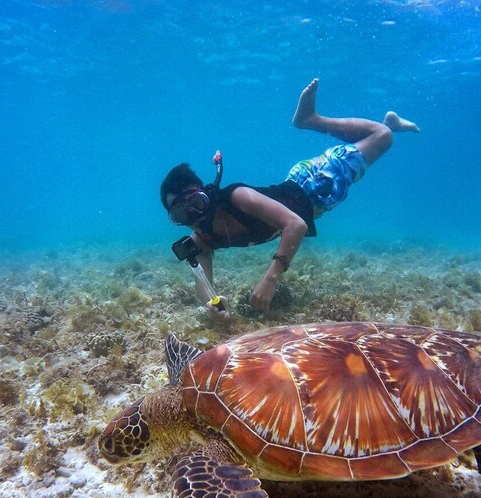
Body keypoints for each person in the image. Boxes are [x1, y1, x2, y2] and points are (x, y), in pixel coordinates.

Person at [161, 78, 420, 319]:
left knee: (381, 139)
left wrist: (270, 279)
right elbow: (203, 283)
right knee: (376, 140)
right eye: (181, 215)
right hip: (303, 189)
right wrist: (212, 305)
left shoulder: (237, 197)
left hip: (316, 184)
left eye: (195, 204)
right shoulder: (203, 239)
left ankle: (310, 120)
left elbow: (296, 225)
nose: (194, 217)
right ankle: (392, 124)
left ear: (207, 193)